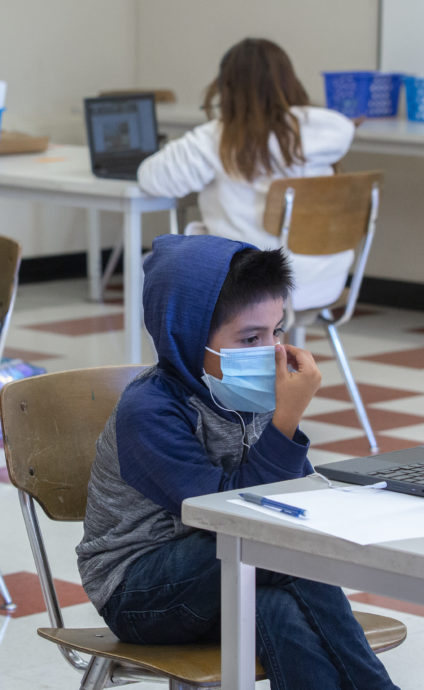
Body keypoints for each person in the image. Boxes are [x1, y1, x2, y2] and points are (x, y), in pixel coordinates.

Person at [76, 234, 397, 689]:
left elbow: (287, 502)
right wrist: (287, 419)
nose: (271, 353)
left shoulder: (245, 391)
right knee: (280, 548)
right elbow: (229, 517)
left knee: (277, 608)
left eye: (276, 332)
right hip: (138, 591)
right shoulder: (149, 411)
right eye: (250, 337)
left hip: (231, 569)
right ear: (185, 335)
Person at [137, 38, 356, 312]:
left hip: (254, 284)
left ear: (226, 88)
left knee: (153, 266)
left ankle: (181, 356)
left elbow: (152, 177)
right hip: (325, 279)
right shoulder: (326, 131)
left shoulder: (218, 138)